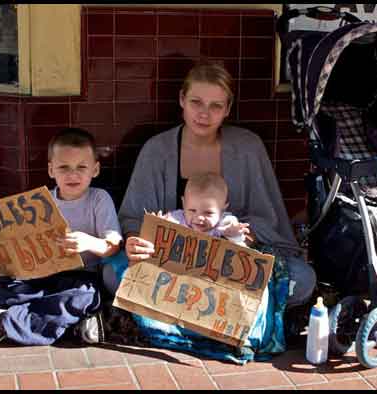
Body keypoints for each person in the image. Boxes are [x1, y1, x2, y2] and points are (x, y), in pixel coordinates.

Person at [120, 61, 316, 310]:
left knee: (302, 279)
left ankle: (190, 310)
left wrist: (246, 233)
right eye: (196, 102)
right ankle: (220, 309)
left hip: (232, 263)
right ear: (182, 100)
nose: (204, 114)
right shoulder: (157, 150)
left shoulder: (248, 147)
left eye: (216, 106)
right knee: (112, 272)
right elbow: (134, 217)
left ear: (227, 109)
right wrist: (137, 241)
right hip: (171, 263)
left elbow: (270, 217)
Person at [0, 127, 123, 346]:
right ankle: (63, 321)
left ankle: (1, 323)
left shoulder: (99, 199)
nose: (73, 174)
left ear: (95, 170)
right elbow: (14, 246)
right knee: (6, 288)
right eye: (63, 167)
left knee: (83, 297)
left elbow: (113, 246)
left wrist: (89, 242)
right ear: (51, 170)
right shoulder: (40, 201)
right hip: (40, 274)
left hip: (80, 276)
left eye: (81, 167)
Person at [159, 172, 250, 246]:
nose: (199, 217)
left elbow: (240, 248)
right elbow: (165, 228)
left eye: (208, 212)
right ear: (184, 203)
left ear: (222, 210)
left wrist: (233, 235)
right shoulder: (178, 218)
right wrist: (161, 224)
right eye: (192, 210)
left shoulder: (224, 223)